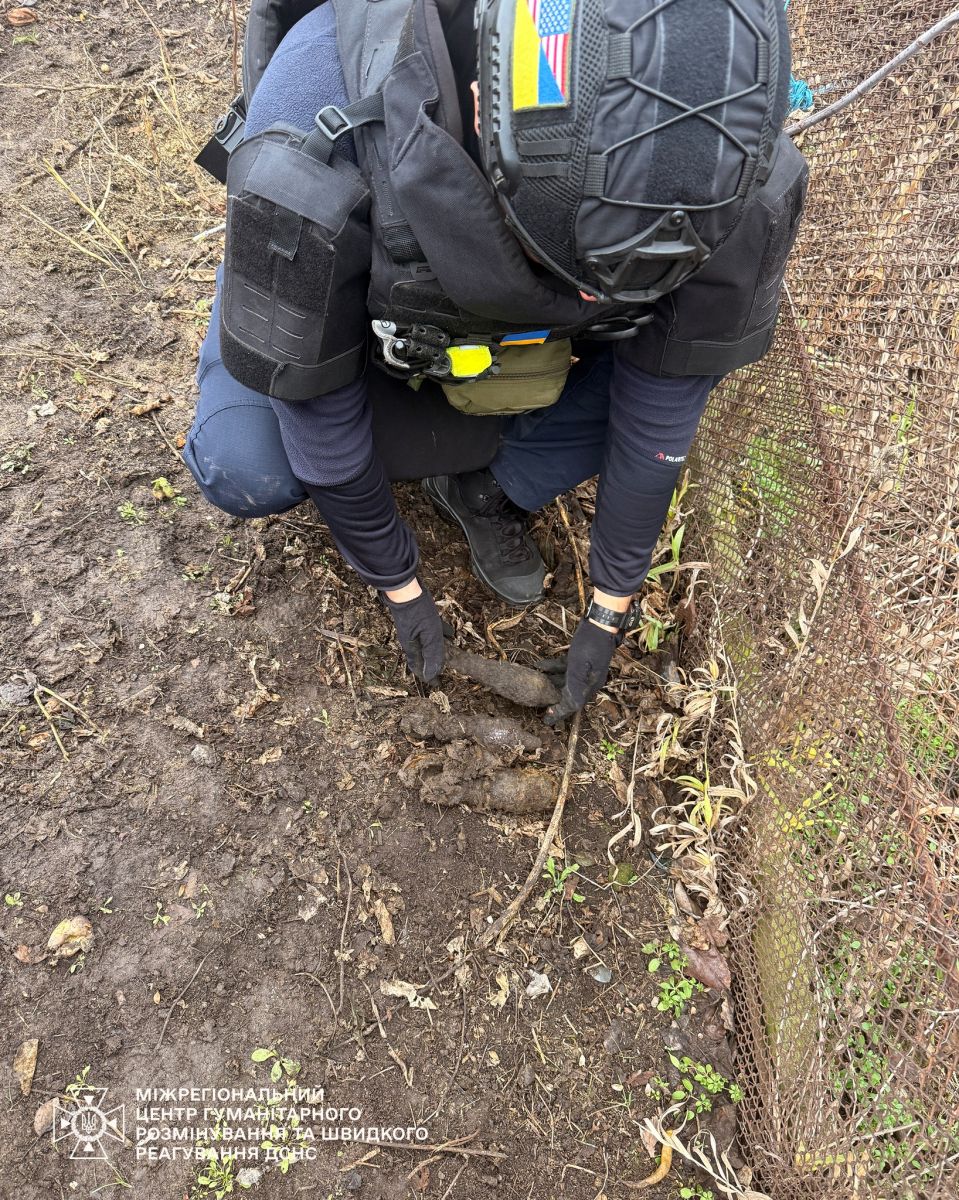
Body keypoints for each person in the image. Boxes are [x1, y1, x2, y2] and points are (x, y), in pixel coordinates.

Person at [184, 0, 808, 724]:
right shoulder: (314, 138)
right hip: (350, 279)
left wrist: (609, 607)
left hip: (488, 321)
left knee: (675, 342)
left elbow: (662, 408)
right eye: (578, 269)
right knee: (249, 461)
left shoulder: (723, 184)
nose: (587, 296)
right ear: (482, 109)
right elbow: (318, 419)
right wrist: (400, 584)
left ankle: (488, 487)